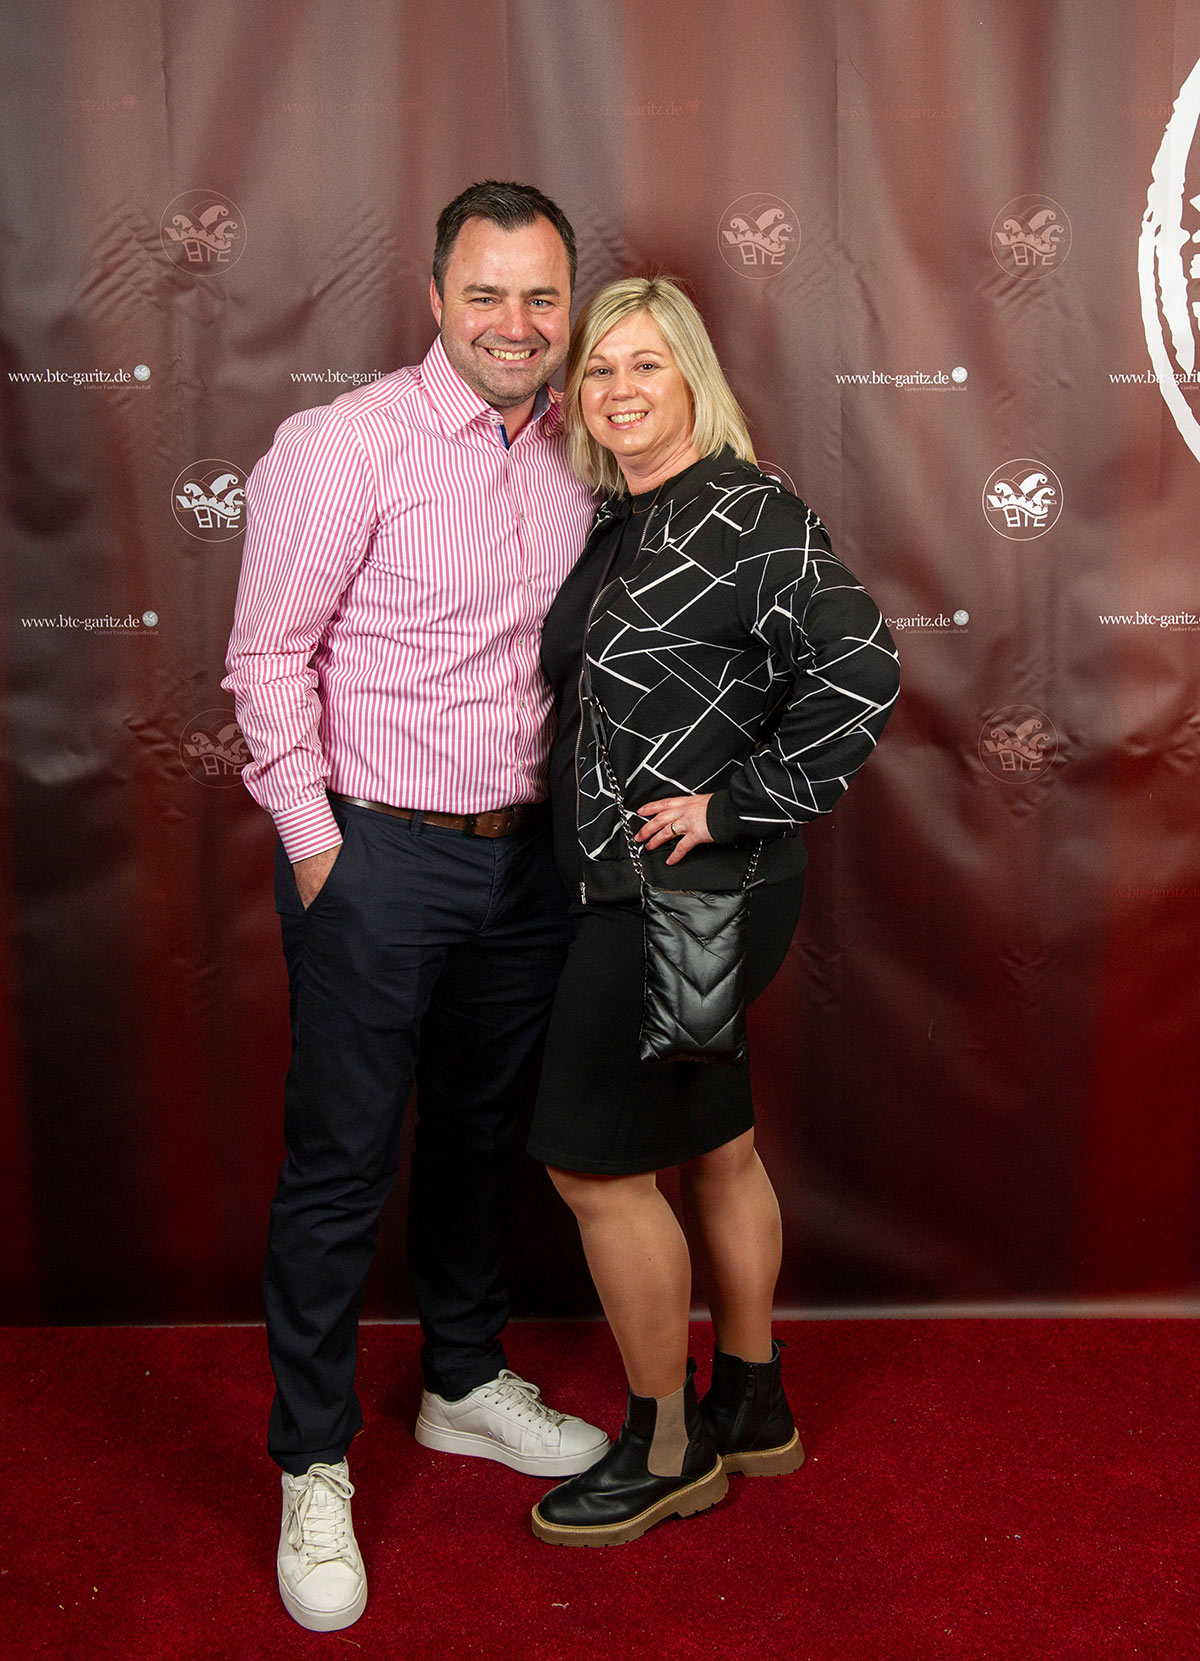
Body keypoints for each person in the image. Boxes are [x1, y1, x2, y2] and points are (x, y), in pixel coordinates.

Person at [223, 181, 608, 1632]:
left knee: (477, 1134)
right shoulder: (345, 444)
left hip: (529, 863)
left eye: (541, 296)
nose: (516, 322)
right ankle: (313, 1462)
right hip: (377, 855)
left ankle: (459, 1377)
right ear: (436, 297)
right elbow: (268, 659)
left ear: (569, 307)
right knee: (339, 1163)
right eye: (487, 293)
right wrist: (322, 852)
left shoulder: (588, 447)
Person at [526, 277, 900, 1547]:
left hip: (681, 898)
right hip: (644, 891)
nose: (618, 388)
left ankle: (666, 1445)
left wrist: (736, 803)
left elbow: (862, 667)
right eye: (598, 369)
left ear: (694, 376)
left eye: (646, 363)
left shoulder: (747, 509)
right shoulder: (624, 516)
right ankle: (752, 1399)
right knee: (717, 1145)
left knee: (594, 1165)